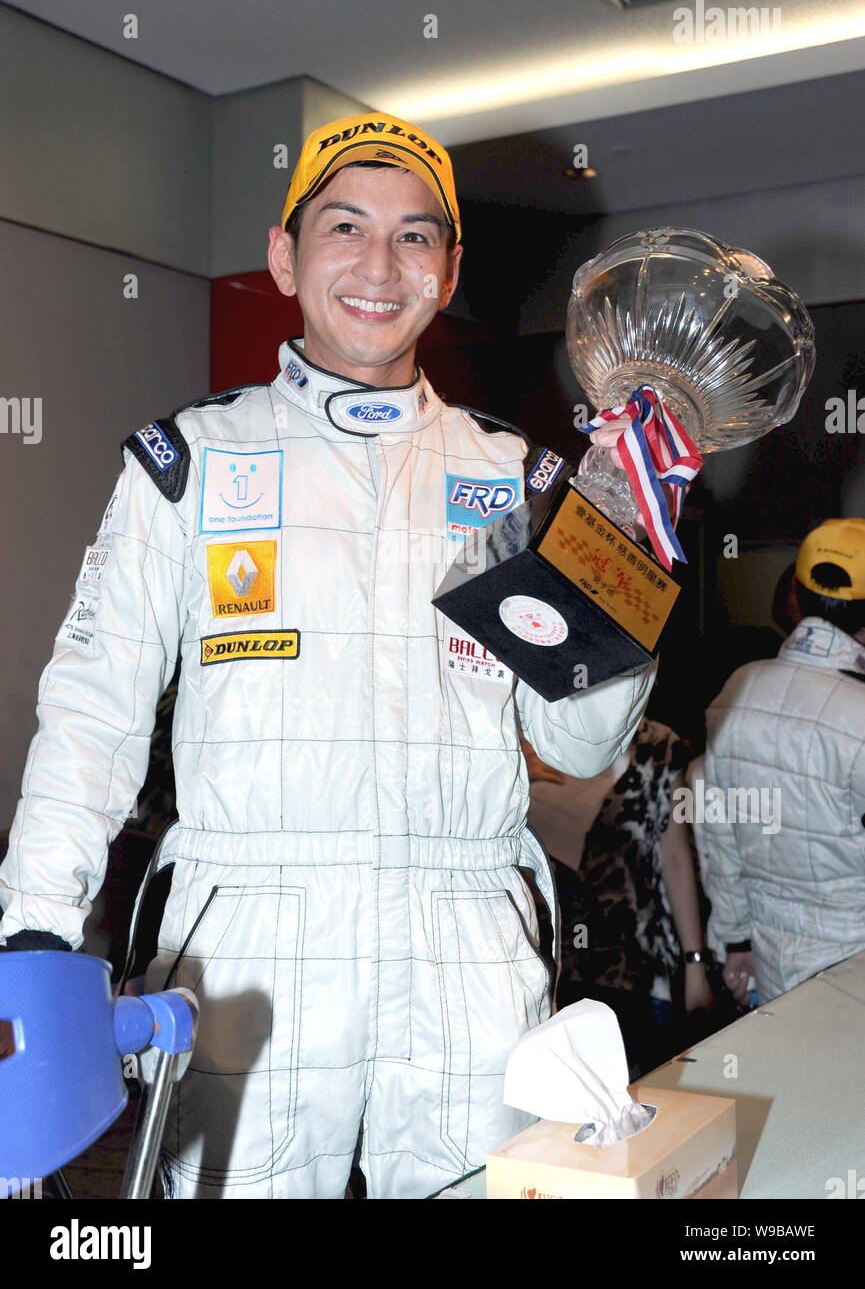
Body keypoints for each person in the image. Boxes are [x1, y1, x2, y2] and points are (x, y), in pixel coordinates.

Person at [0, 113, 656, 1199]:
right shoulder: (189, 465)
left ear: (447, 272)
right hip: (240, 944)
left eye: (413, 237)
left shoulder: (523, 481)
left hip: (468, 946)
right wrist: (33, 927)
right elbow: (91, 715)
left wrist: (619, 553)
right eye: (344, 227)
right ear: (283, 255)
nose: (377, 264)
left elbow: (574, 737)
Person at [701, 518, 865, 1005]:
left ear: (794, 589)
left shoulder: (739, 686)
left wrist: (734, 940)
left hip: (769, 951)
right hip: (854, 950)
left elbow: (718, 833)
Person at [523, 719, 715, 1078]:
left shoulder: (657, 746)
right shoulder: (537, 737)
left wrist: (696, 964)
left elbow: (675, 860)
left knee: (648, 1089)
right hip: (552, 962)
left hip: (637, 965)